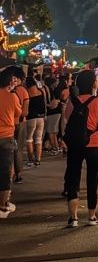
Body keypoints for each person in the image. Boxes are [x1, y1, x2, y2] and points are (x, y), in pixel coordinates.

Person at [64, 70, 98, 228]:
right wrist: (95, 127)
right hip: (93, 145)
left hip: (75, 145)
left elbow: (67, 119)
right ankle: (91, 216)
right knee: (92, 181)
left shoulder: (72, 102)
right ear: (94, 84)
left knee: (73, 179)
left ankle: (73, 218)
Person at [0, 68, 22, 218]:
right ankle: (3, 205)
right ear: (9, 82)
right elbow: (18, 113)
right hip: (6, 136)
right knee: (6, 170)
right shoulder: (12, 97)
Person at [8, 67, 29, 183]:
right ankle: (19, 174)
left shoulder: (5, 90)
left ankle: (10, 175)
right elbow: (25, 112)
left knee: (8, 151)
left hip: (8, 124)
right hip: (20, 123)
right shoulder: (23, 91)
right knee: (18, 150)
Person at [25, 77, 46, 166]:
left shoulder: (27, 92)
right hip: (41, 118)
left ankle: (30, 159)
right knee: (38, 139)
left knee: (29, 139)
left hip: (31, 118)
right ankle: (38, 160)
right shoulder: (41, 91)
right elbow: (44, 103)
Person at [44, 77, 61, 154]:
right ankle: (56, 147)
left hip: (52, 112)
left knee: (50, 131)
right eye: (55, 82)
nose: (56, 83)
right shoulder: (55, 90)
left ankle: (54, 148)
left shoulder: (49, 90)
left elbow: (49, 103)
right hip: (57, 112)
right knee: (54, 132)